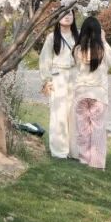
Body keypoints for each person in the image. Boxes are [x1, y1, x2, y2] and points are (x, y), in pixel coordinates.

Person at [72, 15, 111, 169]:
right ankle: (96, 162)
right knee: (98, 128)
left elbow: (77, 66)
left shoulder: (78, 50)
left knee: (82, 128)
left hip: (81, 93)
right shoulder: (103, 49)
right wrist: (104, 40)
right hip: (98, 94)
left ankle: (84, 159)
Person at [39, 10, 79, 159]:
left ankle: (75, 151)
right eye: (64, 14)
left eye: (70, 14)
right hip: (58, 77)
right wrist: (46, 80)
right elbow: (45, 59)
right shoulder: (52, 37)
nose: (67, 17)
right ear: (58, 17)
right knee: (59, 114)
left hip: (75, 77)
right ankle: (59, 151)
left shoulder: (79, 35)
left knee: (74, 114)